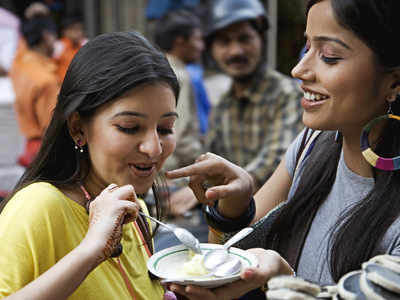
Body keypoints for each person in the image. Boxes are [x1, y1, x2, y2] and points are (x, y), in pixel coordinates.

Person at [165, 0, 400, 298]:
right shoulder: (311, 144)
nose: (299, 70)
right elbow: (230, 259)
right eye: (307, 49)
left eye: (329, 56)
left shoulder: (288, 106)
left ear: (394, 81)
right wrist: (232, 207)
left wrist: (287, 281)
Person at [0, 31, 177, 299]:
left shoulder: (134, 209)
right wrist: (91, 250)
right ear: (77, 128)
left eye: (165, 128)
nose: (153, 147)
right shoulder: (40, 206)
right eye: (130, 127)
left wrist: (229, 214)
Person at [171, 0, 304, 216]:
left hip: (275, 218)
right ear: (212, 49)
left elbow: (275, 163)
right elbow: (210, 160)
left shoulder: (287, 95)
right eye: (224, 42)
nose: (235, 51)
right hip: (233, 214)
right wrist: (179, 184)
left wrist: (229, 185)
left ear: (261, 39)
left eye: (244, 38)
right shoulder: (223, 105)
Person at [9, 15, 59, 167]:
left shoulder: (18, 65)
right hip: (46, 150)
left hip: (29, 147)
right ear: (47, 36)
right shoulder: (45, 80)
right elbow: (52, 126)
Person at [53, 15, 87, 83]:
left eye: (81, 29)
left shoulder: (86, 44)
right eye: (75, 29)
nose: (79, 33)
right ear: (65, 31)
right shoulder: (58, 46)